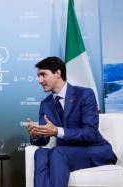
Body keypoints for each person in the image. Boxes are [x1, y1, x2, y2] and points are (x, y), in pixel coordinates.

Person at [27, 56, 117, 187]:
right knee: (40, 152)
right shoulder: (45, 104)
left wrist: (58, 131)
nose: (39, 80)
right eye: (38, 76)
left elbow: (90, 133)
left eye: (43, 75)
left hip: (92, 150)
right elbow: (43, 140)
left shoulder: (84, 94)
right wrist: (36, 135)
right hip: (65, 152)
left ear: (58, 73)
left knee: (57, 151)